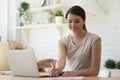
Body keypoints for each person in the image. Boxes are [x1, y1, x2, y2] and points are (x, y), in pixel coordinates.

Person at [50, 5, 101, 77]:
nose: (73, 25)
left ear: (84, 21)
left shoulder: (95, 40)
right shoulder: (62, 41)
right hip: (72, 78)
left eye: (77, 21)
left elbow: (94, 71)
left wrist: (74, 73)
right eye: (69, 21)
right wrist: (57, 70)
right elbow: (61, 60)